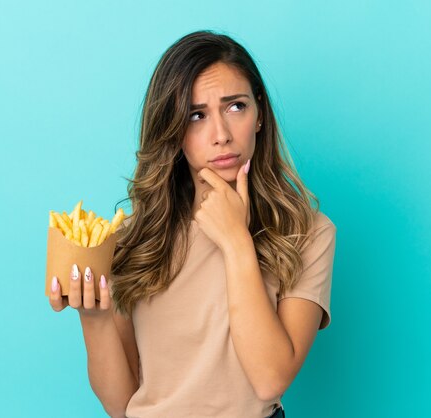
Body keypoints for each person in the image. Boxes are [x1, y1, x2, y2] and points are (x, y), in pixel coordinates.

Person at [49, 30, 337, 418]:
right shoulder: (133, 238)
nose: (220, 135)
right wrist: (94, 316)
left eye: (235, 107)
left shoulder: (308, 232)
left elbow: (270, 379)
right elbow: (122, 405)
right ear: (173, 130)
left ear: (259, 114)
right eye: (196, 115)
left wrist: (236, 242)